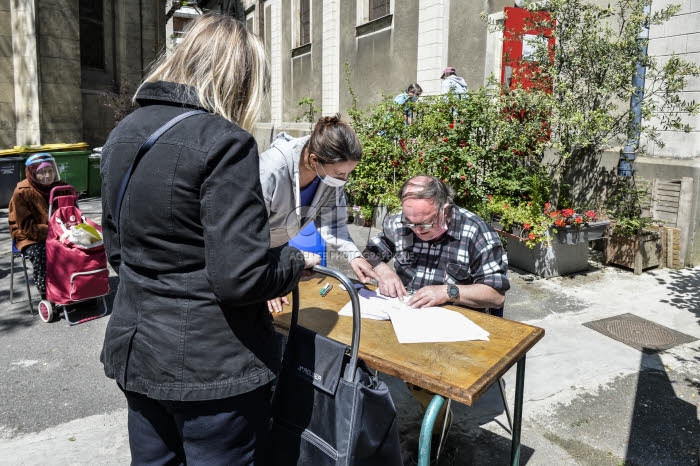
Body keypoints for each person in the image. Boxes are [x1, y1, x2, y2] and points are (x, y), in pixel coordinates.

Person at [99, 13, 319, 466]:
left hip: (137, 351)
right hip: (210, 369)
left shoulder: (125, 132)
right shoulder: (226, 141)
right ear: (240, 79)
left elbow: (118, 251)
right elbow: (241, 278)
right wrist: (295, 261)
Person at [362, 175, 509, 438]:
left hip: (455, 323)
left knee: (424, 370)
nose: (417, 230)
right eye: (411, 223)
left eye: (426, 223)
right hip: (405, 313)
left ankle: (435, 433)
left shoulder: (475, 231)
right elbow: (372, 253)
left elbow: (496, 294)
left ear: (445, 208)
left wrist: (449, 292)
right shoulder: (399, 222)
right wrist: (383, 270)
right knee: (353, 345)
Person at [260, 114, 379, 313]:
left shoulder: (329, 177)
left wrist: (354, 256)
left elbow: (332, 224)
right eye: (340, 174)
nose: (345, 179)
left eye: (349, 173)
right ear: (315, 160)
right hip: (254, 254)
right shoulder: (271, 170)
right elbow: (246, 234)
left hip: (277, 248)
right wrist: (268, 279)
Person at [8, 153, 66, 299]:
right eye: (41, 172)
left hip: (60, 231)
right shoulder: (22, 192)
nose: (47, 175)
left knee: (80, 246)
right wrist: (56, 232)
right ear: (33, 174)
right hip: (30, 236)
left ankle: (76, 286)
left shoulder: (62, 187)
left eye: (50, 171)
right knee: (41, 251)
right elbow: (28, 228)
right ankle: (46, 293)